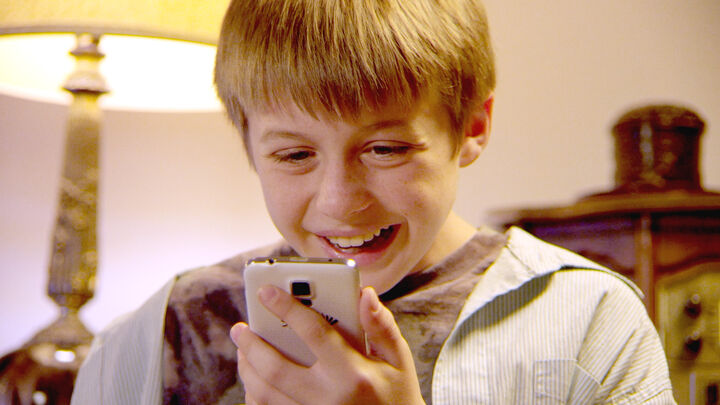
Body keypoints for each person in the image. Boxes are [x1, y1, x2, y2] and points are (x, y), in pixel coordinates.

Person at [71, 0, 676, 404]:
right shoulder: (165, 333)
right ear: (248, 143)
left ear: (472, 126)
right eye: (294, 155)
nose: (340, 202)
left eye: (385, 149)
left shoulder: (586, 319)